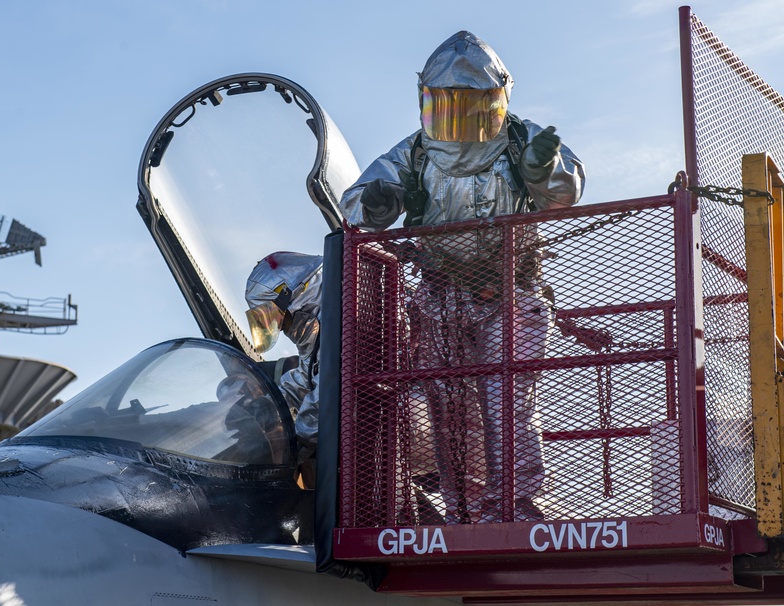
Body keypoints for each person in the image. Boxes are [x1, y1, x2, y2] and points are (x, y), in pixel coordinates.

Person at [340, 31, 585, 523]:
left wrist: (543, 170)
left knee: (506, 399)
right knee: (450, 412)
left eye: (472, 108)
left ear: (497, 104)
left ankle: (515, 504)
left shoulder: (521, 141)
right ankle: (466, 514)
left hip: (512, 293)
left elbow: (565, 193)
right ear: (426, 104)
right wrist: (378, 201)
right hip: (440, 300)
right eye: (446, 107)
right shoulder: (413, 155)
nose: (458, 120)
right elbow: (359, 202)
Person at [244, 252, 323, 463]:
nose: (279, 326)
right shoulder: (321, 329)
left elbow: (328, 395)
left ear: (299, 298)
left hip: (398, 427)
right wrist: (271, 403)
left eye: (276, 317)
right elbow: (308, 376)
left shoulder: (345, 324)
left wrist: (294, 444)